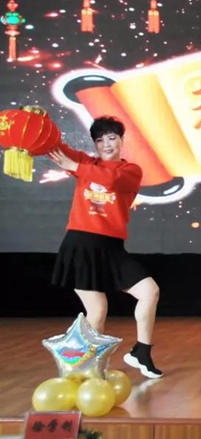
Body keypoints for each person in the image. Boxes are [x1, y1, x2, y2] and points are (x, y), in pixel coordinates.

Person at [49, 116, 163, 378]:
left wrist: (75, 167)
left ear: (121, 140)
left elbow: (111, 180)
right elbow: (56, 147)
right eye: (100, 140)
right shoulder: (86, 164)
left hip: (111, 247)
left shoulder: (130, 171)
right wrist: (39, 123)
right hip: (80, 244)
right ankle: (84, 369)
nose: (106, 144)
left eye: (112, 138)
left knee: (150, 291)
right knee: (97, 310)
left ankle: (142, 352)